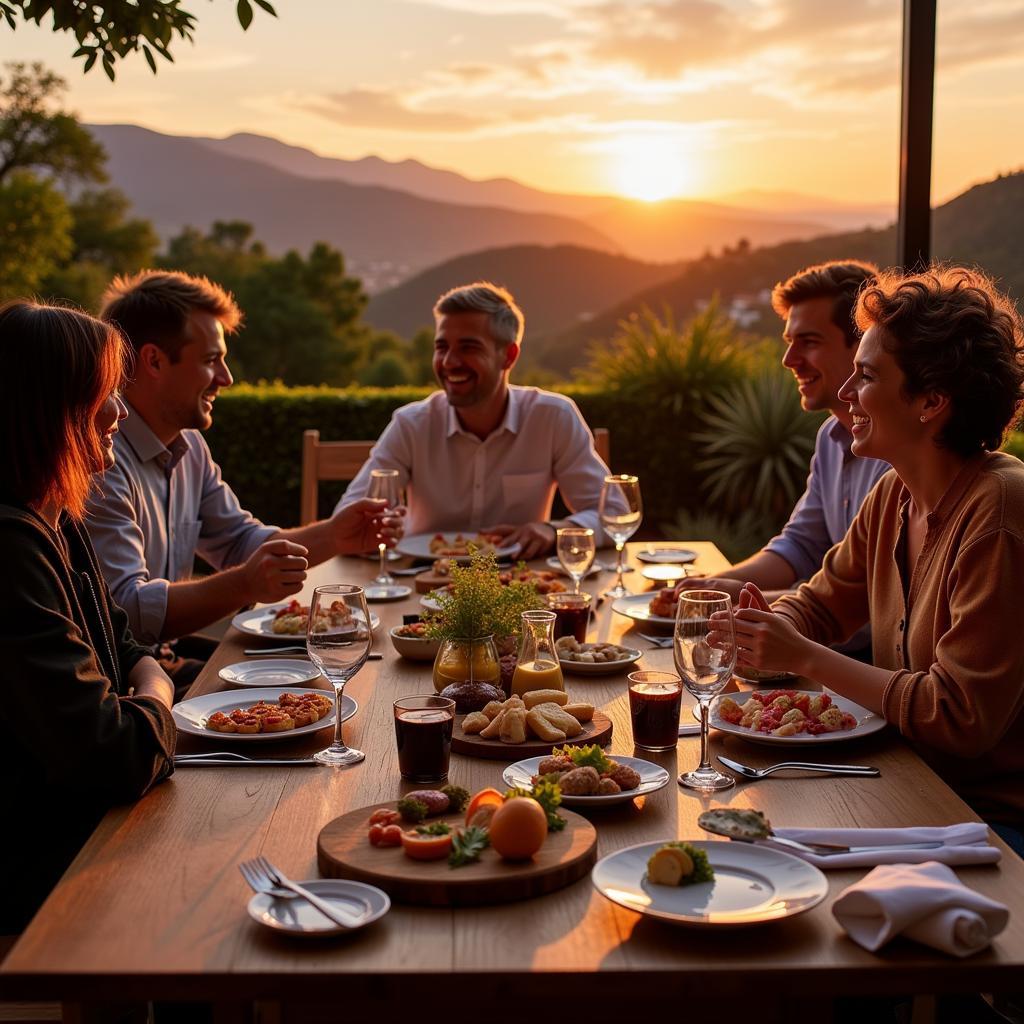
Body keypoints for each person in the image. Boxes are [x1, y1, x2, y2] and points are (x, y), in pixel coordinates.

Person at [716, 266, 1024, 851]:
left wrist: (802, 656)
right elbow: (823, 604)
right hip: (908, 782)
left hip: (989, 825)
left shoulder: (1000, 511)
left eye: (865, 376)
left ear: (932, 400)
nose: (847, 394)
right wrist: (772, 627)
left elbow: (958, 717)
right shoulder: (894, 495)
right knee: (741, 834)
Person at [86, 270, 403, 672]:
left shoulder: (190, 447)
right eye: (211, 360)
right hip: (121, 680)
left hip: (166, 660)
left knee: (330, 669)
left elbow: (239, 541)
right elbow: (128, 612)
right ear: (153, 360)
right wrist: (243, 584)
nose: (227, 378)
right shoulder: (101, 460)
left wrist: (336, 535)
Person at [0, 301, 176, 932]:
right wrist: (159, 689)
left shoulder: (58, 516)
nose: (119, 412)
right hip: (41, 868)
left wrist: (143, 678)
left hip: (93, 828)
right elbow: (114, 753)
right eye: (104, 393)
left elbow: (125, 642)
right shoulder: (11, 550)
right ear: (52, 406)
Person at [679, 261, 889, 657]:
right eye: (789, 341)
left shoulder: (900, 456)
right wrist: (719, 586)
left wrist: (752, 608)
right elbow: (802, 544)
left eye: (808, 341)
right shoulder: (831, 437)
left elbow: (875, 608)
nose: (788, 359)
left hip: (864, 668)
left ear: (862, 343)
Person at [336, 282, 611, 558]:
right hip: (420, 582)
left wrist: (555, 530)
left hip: (521, 584)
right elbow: (347, 522)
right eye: (441, 347)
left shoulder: (553, 418)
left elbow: (615, 514)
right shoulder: (411, 425)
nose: (449, 361)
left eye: (468, 348)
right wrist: (375, 529)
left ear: (508, 356)